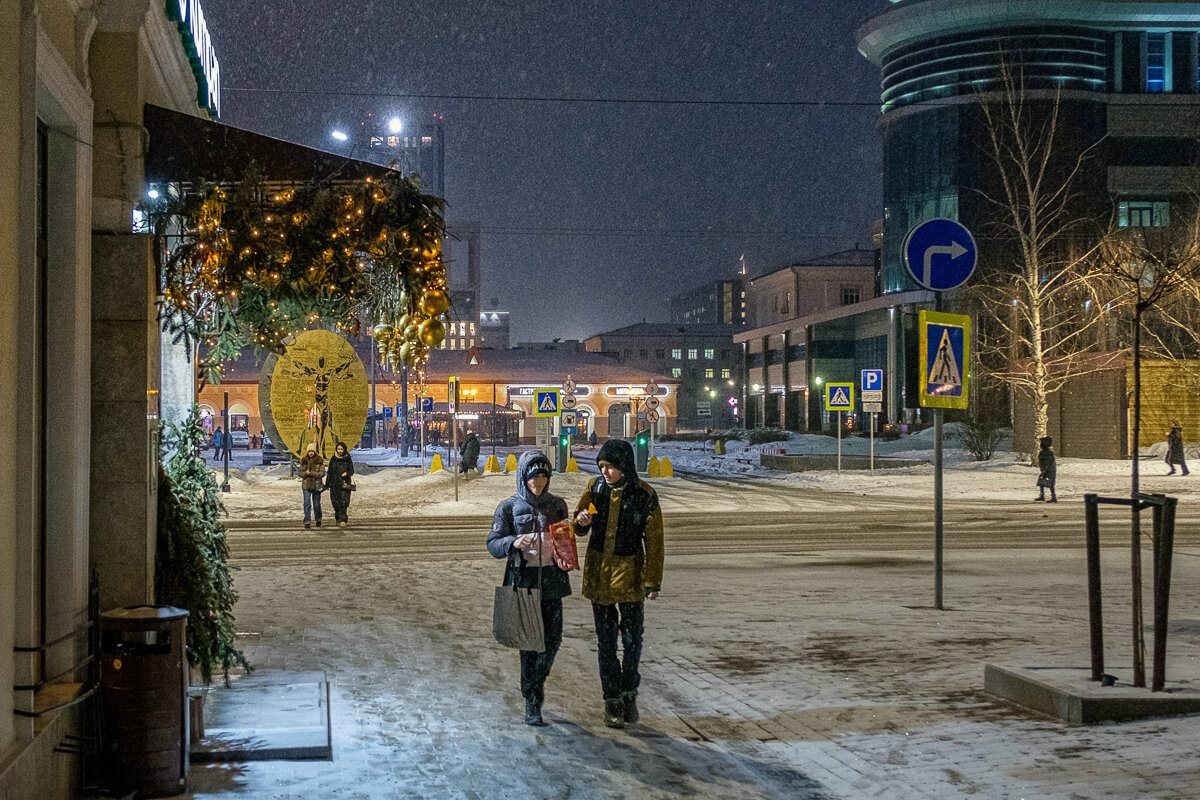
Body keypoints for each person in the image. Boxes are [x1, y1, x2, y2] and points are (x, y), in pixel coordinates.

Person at [572, 439, 664, 729]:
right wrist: (582, 522)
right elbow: (579, 522)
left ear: (625, 466)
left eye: (611, 467)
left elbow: (655, 541)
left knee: (633, 641)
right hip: (600, 575)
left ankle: (628, 693)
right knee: (606, 643)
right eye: (602, 467)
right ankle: (611, 699)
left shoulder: (643, 495)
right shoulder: (595, 489)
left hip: (631, 576)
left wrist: (652, 579)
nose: (606, 472)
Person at [487, 452, 572, 726]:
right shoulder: (508, 508)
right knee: (529, 646)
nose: (538, 482)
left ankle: (533, 684)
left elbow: (565, 542)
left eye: (543, 476)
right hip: (523, 584)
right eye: (533, 477)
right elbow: (493, 543)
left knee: (553, 640)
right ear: (523, 477)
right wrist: (513, 542)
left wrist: (566, 549)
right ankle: (532, 701)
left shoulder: (558, 505)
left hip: (552, 584)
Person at [325, 441, 355, 527]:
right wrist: (327, 484)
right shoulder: (333, 459)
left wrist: (347, 473)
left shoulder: (348, 458)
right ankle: (338, 517)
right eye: (338, 449)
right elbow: (330, 472)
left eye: (341, 449)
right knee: (335, 503)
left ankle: (343, 520)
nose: (340, 451)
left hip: (344, 484)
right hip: (334, 484)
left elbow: (352, 470)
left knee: (343, 503)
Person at [299, 442, 325, 528]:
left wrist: (312, 473)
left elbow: (322, 473)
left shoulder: (319, 460)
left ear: (315, 452)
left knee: (316, 504)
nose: (311, 453)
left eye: (312, 451)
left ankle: (318, 519)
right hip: (306, 485)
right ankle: (307, 520)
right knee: (307, 503)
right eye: (309, 451)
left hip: (316, 485)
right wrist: (305, 473)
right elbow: (300, 473)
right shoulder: (304, 460)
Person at [1036, 436, 1057, 503]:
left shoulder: (1047, 452)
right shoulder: (1045, 452)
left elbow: (1047, 462)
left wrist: (1045, 469)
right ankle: (1043, 496)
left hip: (1049, 470)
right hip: (1048, 470)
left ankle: (1053, 497)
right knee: (1042, 482)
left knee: (1050, 484)